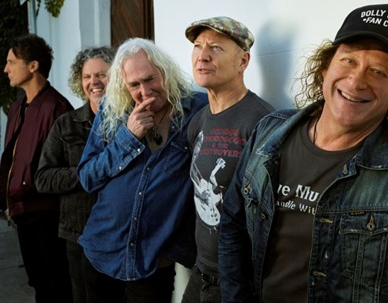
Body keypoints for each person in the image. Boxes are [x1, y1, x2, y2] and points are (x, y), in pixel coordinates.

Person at [218, 4, 388, 302]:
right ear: (326, 67)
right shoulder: (268, 133)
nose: (356, 81)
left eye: (378, 71)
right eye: (348, 61)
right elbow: (233, 224)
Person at [76, 38, 208, 303]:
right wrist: (128, 136)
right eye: (134, 84)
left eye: (150, 79)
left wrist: (174, 249)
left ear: (166, 72)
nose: (144, 91)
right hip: (102, 250)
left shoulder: (198, 109)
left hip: (152, 262)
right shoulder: (112, 109)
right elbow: (87, 177)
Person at [181, 16, 274, 303]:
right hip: (201, 272)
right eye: (198, 46)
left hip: (236, 280)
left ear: (243, 61)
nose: (203, 56)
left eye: (216, 48)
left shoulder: (261, 121)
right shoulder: (197, 121)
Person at [35, 46, 114, 303]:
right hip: (78, 234)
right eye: (87, 77)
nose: (94, 82)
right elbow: (43, 178)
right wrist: (87, 173)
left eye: (101, 74)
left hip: (119, 234)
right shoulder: (65, 124)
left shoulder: (129, 123)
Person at [0, 34, 74, 302]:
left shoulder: (57, 108)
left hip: (47, 215)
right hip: (22, 212)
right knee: (39, 284)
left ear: (33, 66)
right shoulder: (18, 107)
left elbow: (66, 166)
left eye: (11, 62)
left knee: (57, 286)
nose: (5, 69)